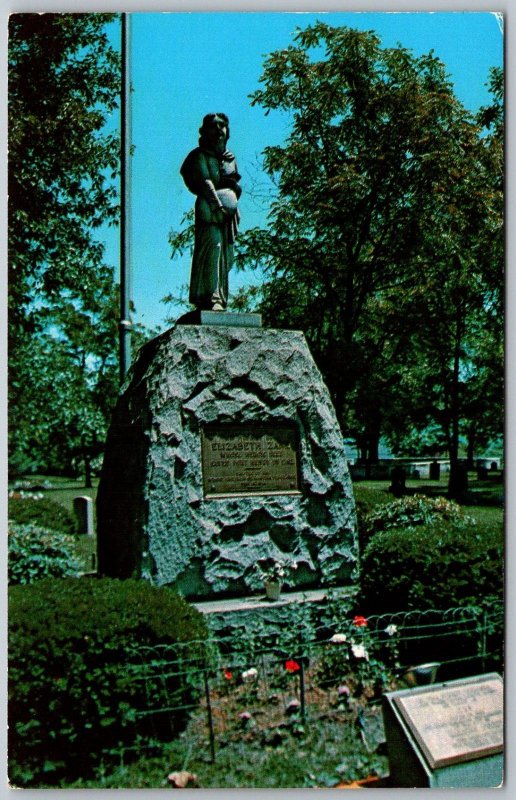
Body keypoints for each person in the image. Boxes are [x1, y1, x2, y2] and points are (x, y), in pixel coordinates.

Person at [180, 113, 242, 311]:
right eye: (214, 126)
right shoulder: (199, 156)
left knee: (226, 255)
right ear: (204, 131)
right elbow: (205, 183)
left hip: (226, 217)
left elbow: (232, 183)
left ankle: (221, 298)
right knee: (213, 249)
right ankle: (211, 297)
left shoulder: (229, 158)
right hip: (210, 210)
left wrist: (231, 205)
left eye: (222, 126)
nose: (219, 130)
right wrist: (219, 206)